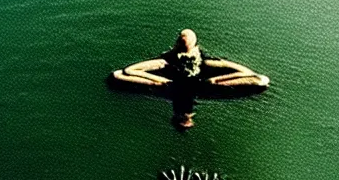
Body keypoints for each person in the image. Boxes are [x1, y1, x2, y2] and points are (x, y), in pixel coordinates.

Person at [111, 29, 269, 128]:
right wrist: (158, 80)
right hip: (179, 87)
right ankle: (183, 112)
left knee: (261, 80)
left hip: (196, 87)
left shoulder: (204, 62)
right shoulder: (169, 61)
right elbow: (128, 71)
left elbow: (254, 76)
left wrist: (216, 80)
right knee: (117, 76)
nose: (185, 58)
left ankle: (183, 113)